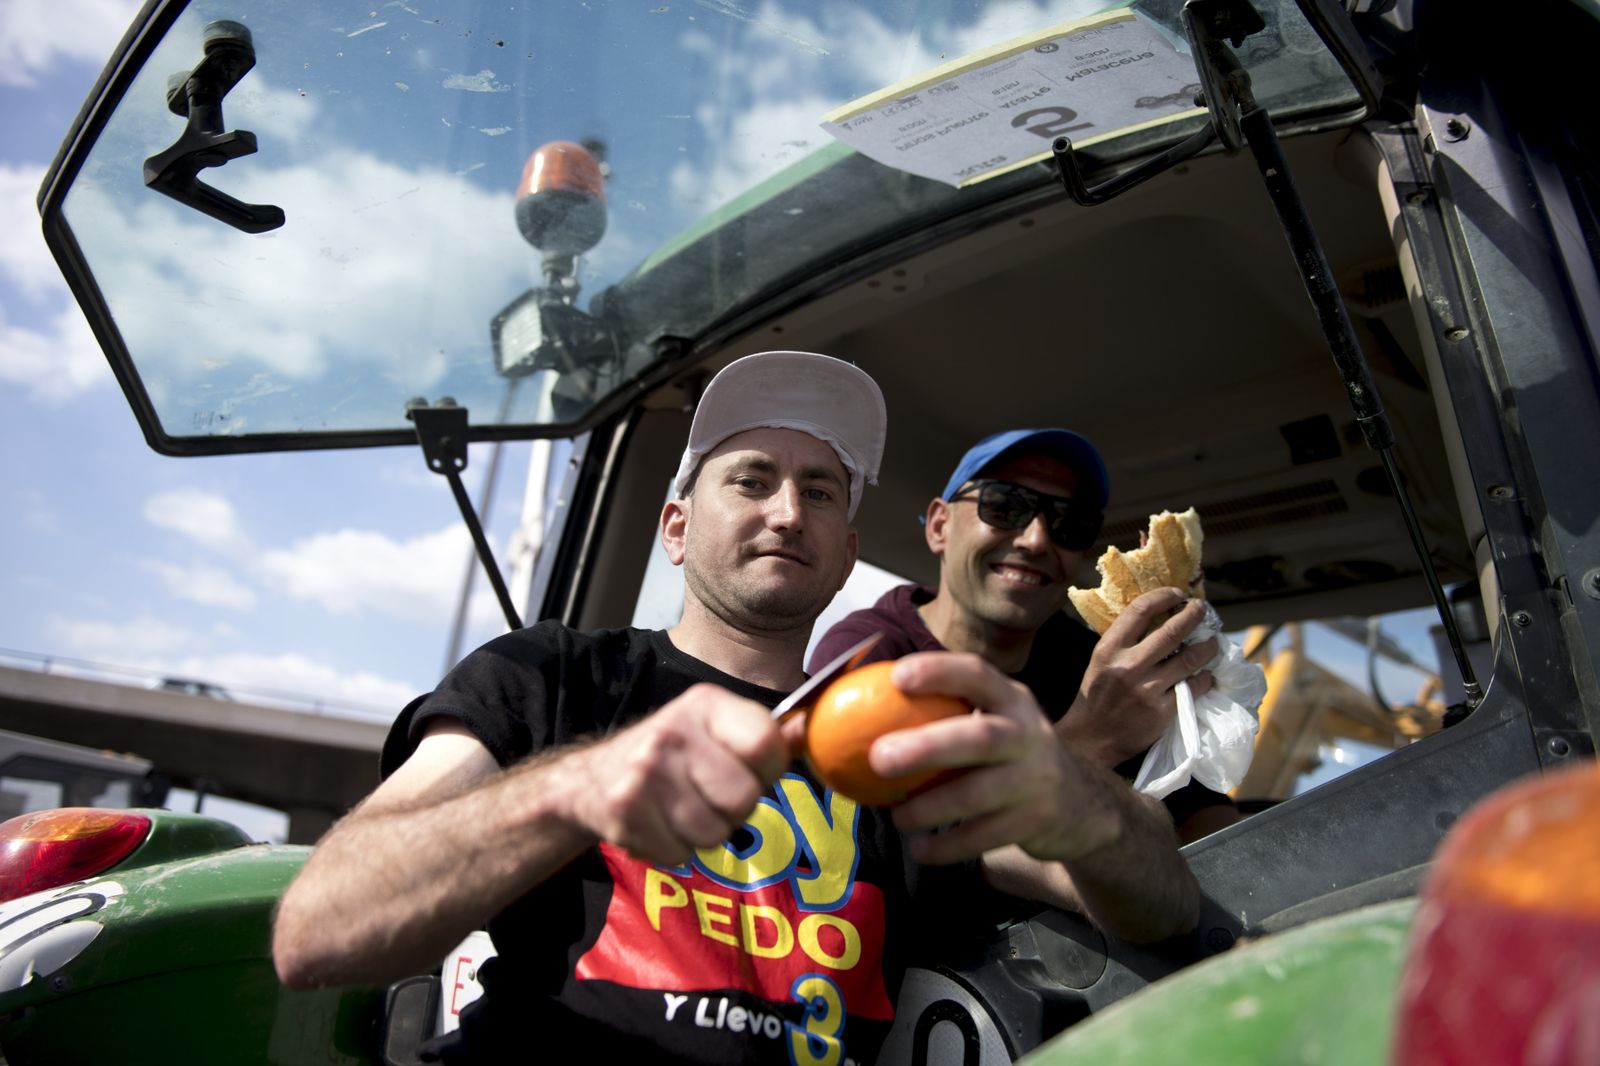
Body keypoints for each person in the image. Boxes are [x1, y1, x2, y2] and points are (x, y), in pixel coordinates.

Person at [272, 355, 1199, 1065]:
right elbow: (321, 932)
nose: (788, 512)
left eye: (821, 492)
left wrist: (1081, 798)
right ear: (677, 529)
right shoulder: (553, 678)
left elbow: (1162, 907)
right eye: (752, 480)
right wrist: (575, 788)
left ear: (847, 553)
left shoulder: (902, 743)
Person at [811, 428, 1238, 842]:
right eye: (1005, 506)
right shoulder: (867, 657)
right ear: (939, 526)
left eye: (1068, 523)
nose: (1036, 540)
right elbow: (883, 859)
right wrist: (1092, 740)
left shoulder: (1098, 662)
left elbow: (1208, 815)